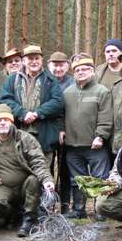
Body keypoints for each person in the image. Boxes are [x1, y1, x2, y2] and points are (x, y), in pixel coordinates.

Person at [0, 104, 55, 237]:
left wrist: (47, 180)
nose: (2, 123)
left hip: (25, 186)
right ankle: (13, 215)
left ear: (12, 121)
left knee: (34, 180)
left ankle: (29, 220)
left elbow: (38, 161)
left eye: (6, 119)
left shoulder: (25, 139)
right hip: (3, 187)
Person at [61, 56, 113, 218]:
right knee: (77, 181)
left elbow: (106, 117)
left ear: (92, 71)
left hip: (95, 145)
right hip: (72, 146)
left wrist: (101, 136)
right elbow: (61, 115)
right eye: (77, 70)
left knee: (100, 179)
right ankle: (78, 210)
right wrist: (62, 130)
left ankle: (101, 210)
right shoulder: (67, 92)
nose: (80, 72)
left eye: (84, 69)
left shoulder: (102, 91)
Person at [0, 44, 64, 162]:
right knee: (19, 172)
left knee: (42, 172)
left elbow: (58, 102)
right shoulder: (12, 79)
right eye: (30, 58)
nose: (34, 62)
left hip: (44, 136)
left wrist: (37, 113)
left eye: (37, 58)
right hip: (17, 134)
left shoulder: (51, 80)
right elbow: (5, 100)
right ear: (24, 61)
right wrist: (22, 113)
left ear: (41, 60)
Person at [48, 51, 75, 215]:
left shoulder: (73, 83)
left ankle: (65, 204)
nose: (58, 68)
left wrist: (63, 128)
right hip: (48, 130)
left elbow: (71, 110)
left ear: (67, 66)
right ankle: (49, 204)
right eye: (55, 65)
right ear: (49, 66)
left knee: (65, 169)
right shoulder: (45, 81)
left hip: (68, 131)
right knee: (48, 169)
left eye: (61, 65)